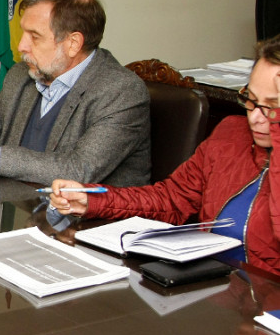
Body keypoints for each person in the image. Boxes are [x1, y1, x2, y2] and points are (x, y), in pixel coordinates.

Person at [48, 35, 280, 273]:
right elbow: (171, 198)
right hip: (213, 285)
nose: (255, 117)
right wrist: (93, 200)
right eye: (251, 100)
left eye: (272, 107)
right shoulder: (231, 134)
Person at [0, 0, 151, 187]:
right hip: (21, 212)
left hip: (92, 222)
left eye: (34, 37)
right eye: (23, 33)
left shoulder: (120, 91)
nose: (21, 46)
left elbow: (79, 170)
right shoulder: (22, 75)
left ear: (73, 43)